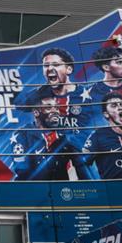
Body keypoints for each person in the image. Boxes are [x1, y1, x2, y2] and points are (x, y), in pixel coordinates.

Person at [23, 47, 92, 178]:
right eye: (46, 65)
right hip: (54, 159)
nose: (49, 68)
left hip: (82, 157)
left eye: (55, 64)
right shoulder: (39, 95)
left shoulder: (87, 96)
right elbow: (19, 103)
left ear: (69, 69)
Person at [12, 96, 81, 181]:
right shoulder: (23, 135)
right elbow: (23, 171)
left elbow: (81, 163)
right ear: (36, 112)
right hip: (35, 190)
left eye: (56, 107)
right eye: (48, 107)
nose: (55, 111)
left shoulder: (66, 133)